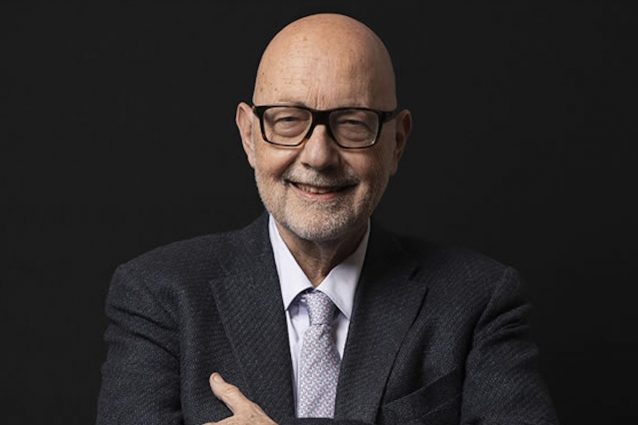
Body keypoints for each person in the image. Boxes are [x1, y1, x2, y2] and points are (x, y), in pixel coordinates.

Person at [96, 13, 558, 425]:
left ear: (396, 142)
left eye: (352, 122)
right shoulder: (159, 295)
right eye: (288, 121)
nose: (318, 156)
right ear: (249, 136)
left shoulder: (478, 301)